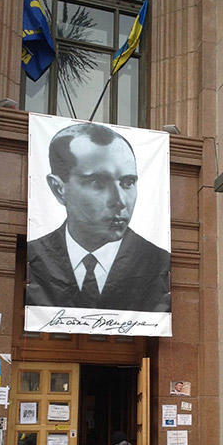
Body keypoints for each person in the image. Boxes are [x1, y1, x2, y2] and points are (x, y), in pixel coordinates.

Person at [26, 122, 170, 312]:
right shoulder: (34, 256)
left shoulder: (158, 262)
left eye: (128, 182)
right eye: (98, 182)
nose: (120, 201)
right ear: (59, 188)